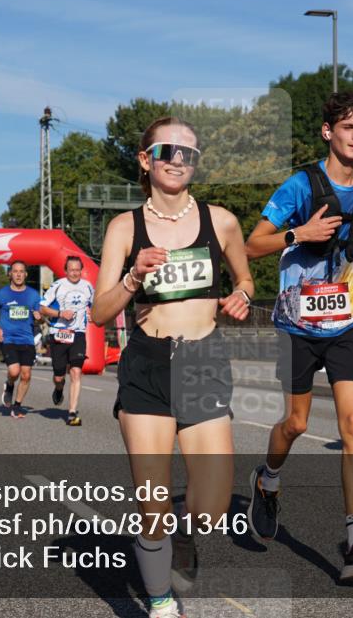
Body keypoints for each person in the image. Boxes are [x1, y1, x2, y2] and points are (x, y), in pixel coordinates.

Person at [92, 116, 253, 618]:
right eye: (168, 151)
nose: (180, 160)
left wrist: (241, 297)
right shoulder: (124, 227)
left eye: (189, 153)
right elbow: (99, 312)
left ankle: (187, 536)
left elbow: (246, 280)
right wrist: (133, 279)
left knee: (211, 510)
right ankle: (160, 601)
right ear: (146, 160)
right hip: (148, 364)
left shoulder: (221, 221)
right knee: (153, 499)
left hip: (203, 360)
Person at [244, 91, 353, 584]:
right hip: (297, 323)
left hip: (348, 318)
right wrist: (299, 234)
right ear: (328, 133)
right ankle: (267, 480)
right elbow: (251, 245)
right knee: (294, 422)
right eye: (349, 127)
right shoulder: (300, 185)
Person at [40, 255, 95, 426]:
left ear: (81, 270)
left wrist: (94, 314)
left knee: (76, 372)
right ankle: (58, 388)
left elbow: (94, 306)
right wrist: (60, 314)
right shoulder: (58, 286)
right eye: (71, 270)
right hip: (59, 333)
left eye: (77, 270)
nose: (74, 273)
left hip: (78, 333)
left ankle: (72, 412)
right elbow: (42, 308)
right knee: (58, 376)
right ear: (66, 270)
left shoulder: (88, 287)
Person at [0, 261, 42, 419]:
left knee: (26, 375)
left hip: (27, 339)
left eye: (21, 271)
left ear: (25, 274)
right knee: (14, 371)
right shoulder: (1, 294)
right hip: (9, 338)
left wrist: (40, 318)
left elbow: (40, 318)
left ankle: (17, 406)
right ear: (9, 274)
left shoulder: (33, 295)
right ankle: (10, 385)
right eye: (15, 271)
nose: (18, 274)